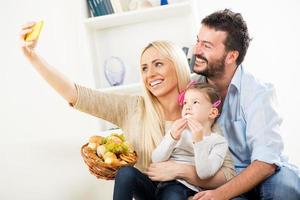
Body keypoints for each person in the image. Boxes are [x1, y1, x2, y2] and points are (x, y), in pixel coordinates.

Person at [20, 24, 236, 200]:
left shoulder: (199, 111)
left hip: (180, 193)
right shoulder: (132, 108)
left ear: (178, 65)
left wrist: (181, 170)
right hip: (149, 193)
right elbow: (76, 94)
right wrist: (32, 56)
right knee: (125, 173)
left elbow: (227, 175)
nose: (150, 74)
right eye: (144, 68)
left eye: (158, 64)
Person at [190, 9, 300, 200]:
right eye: (197, 41)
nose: (196, 50)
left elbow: (266, 162)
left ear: (231, 56)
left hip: (269, 174)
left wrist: (219, 195)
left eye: (206, 45)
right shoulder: (191, 87)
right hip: (225, 177)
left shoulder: (258, 92)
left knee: (284, 187)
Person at [152, 82, 235, 199]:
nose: (187, 107)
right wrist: (171, 137)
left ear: (212, 112)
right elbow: (156, 159)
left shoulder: (218, 142)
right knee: (126, 173)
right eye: (185, 102)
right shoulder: (177, 131)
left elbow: (204, 173)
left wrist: (199, 141)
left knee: (172, 195)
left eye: (195, 102)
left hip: (181, 187)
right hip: (158, 181)